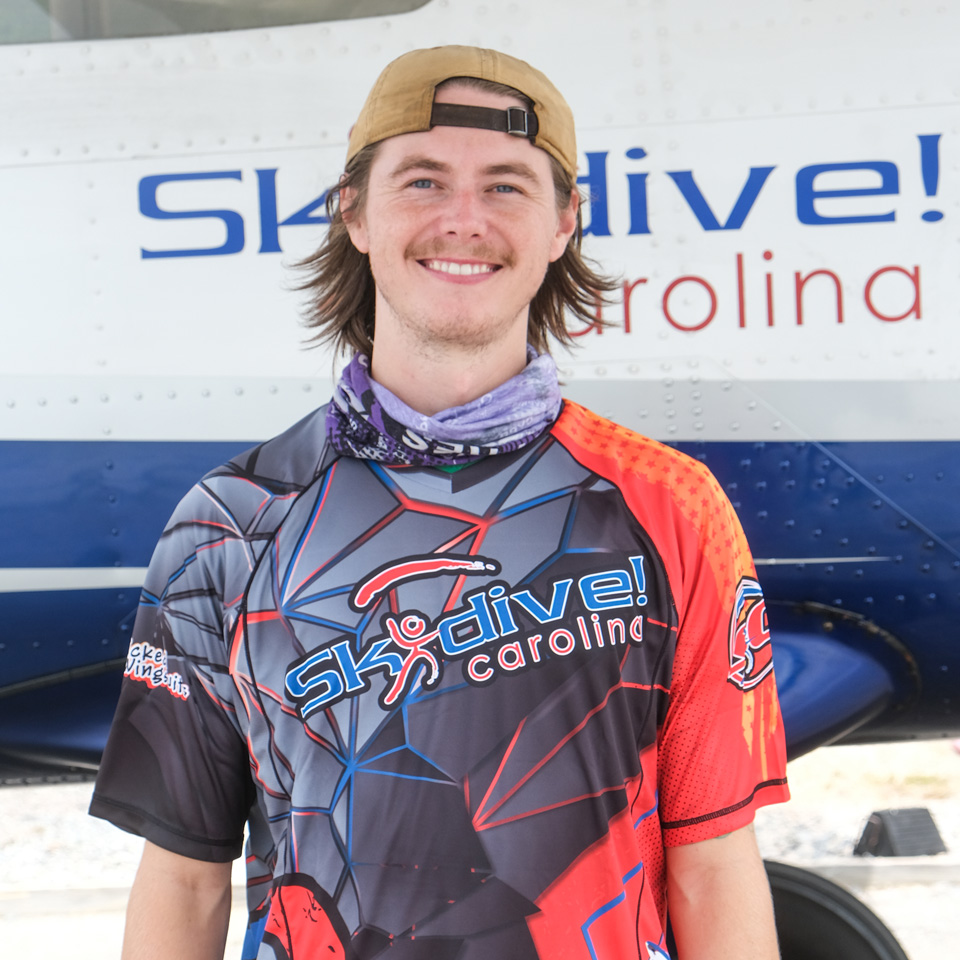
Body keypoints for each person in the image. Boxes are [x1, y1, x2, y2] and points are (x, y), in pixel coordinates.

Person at [90, 45, 789, 960]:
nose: (464, 219)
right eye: (423, 180)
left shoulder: (670, 506)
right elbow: (184, 880)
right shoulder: (226, 525)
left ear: (563, 225)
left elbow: (713, 864)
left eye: (506, 187)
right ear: (355, 212)